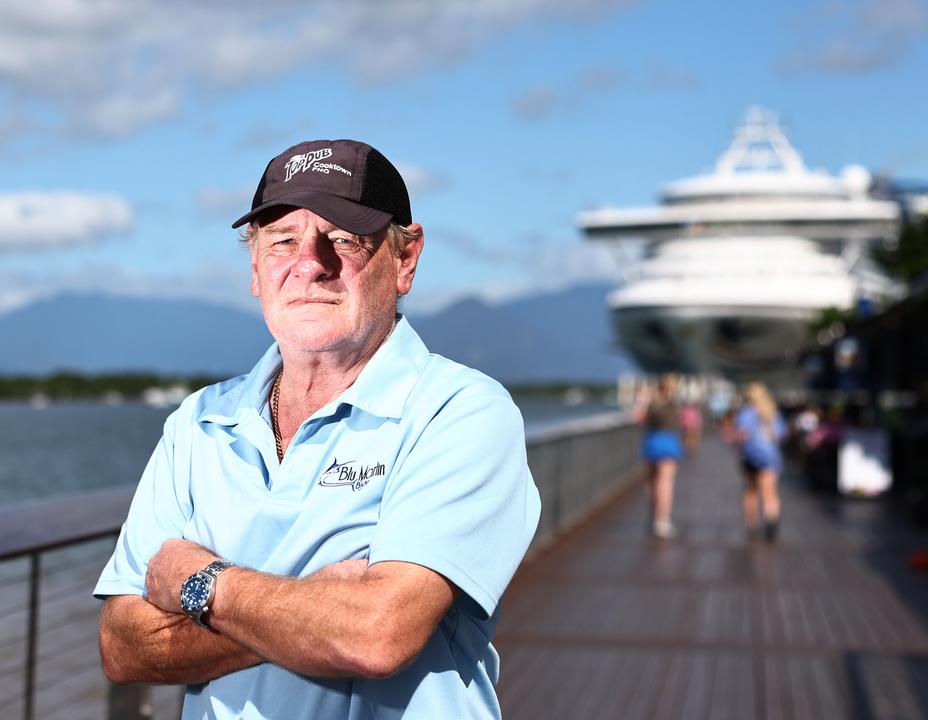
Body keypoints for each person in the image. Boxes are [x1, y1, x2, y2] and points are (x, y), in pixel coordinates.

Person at [94, 139, 541, 719]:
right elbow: (124, 647)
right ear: (255, 269)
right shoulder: (199, 423)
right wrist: (316, 608)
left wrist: (198, 582)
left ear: (405, 259)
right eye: (282, 240)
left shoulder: (460, 411)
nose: (310, 263)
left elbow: (377, 635)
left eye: (343, 238)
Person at [734, 382, 787, 541]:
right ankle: (772, 520)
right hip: (770, 457)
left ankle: (751, 523)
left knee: (751, 490)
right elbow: (781, 434)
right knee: (770, 492)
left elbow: (742, 434)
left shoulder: (746, 413)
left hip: (750, 456)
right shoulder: (772, 412)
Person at [636, 374, 683, 538]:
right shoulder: (675, 402)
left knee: (651, 481)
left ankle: (654, 514)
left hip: (652, 440)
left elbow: (639, 419)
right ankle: (662, 521)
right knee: (666, 482)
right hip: (669, 441)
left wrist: (644, 400)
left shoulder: (652, 403)